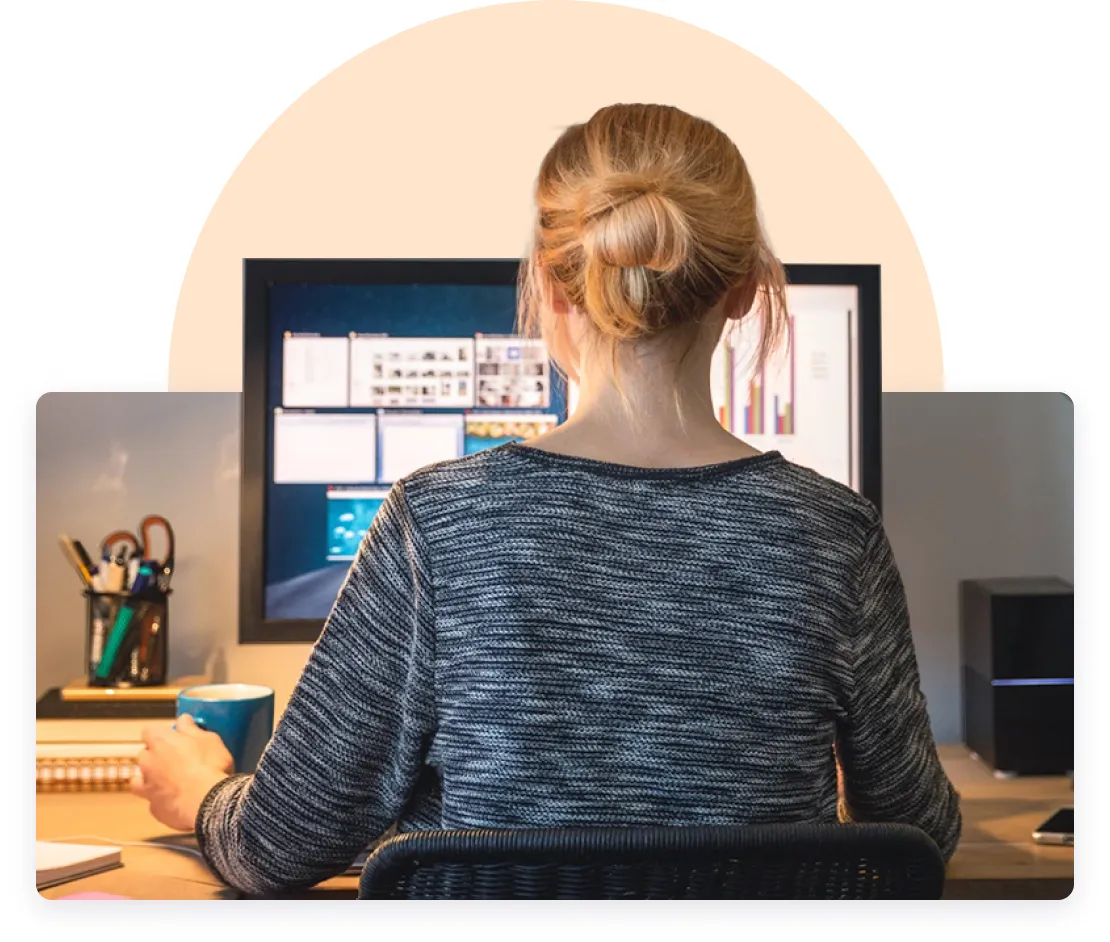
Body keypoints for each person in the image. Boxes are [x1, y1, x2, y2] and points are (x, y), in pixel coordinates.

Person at [132, 103, 961, 895]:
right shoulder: (835, 535)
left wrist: (203, 793)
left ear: (554, 288)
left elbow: (278, 847)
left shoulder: (435, 522)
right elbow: (918, 833)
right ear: (744, 290)